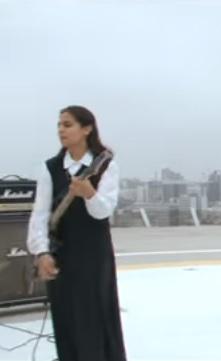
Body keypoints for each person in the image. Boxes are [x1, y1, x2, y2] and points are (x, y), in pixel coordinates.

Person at [27, 105, 126, 361]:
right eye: (59, 125)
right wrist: (41, 253)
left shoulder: (105, 166)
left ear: (87, 128)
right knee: (67, 317)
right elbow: (39, 215)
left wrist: (89, 193)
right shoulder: (50, 168)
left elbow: (103, 211)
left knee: (96, 315)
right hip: (63, 252)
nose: (61, 130)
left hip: (94, 254)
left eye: (68, 124)